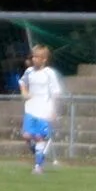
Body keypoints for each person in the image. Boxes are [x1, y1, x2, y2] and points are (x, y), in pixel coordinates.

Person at [19, 44, 62, 174]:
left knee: (39, 137)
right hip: (30, 109)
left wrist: (53, 109)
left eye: (37, 57)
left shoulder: (49, 73)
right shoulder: (29, 71)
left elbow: (55, 92)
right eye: (33, 56)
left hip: (44, 110)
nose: (34, 59)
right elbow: (22, 82)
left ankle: (38, 166)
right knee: (26, 136)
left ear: (44, 59)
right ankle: (40, 154)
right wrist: (24, 92)